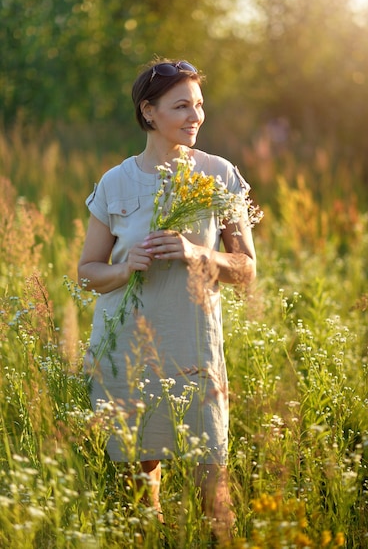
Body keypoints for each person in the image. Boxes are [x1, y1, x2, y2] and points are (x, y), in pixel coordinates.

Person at [78, 58, 257, 539]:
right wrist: (125, 266)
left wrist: (196, 252)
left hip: (192, 351)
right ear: (149, 111)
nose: (195, 116)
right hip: (128, 353)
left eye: (199, 105)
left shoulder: (221, 175)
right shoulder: (116, 181)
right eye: (181, 106)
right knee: (140, 503)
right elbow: (88, 272)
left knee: (214, 500)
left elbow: (245, 269)